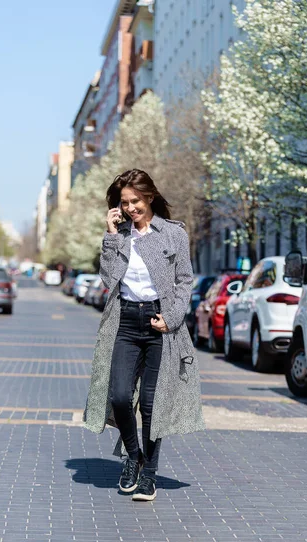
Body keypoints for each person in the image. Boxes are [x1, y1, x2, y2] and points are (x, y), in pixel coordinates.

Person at [83, 169, 205, 501]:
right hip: (125, 321)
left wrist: (174, 317)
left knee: (152, 404)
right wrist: (110, 236)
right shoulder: (119, 234)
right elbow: (109, 279)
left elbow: (184, 281)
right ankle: (133, 456)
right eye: (124, 203)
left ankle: (148, 473)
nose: (130, 208)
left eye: (135, 201)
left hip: (159, 323)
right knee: (120, 396)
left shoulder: (173, 233)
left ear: (149, 197)